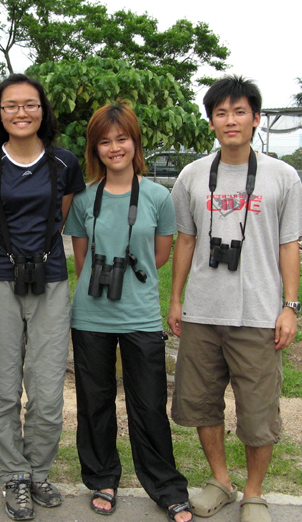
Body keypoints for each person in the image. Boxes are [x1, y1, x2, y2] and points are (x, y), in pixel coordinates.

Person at [167, 75, 302, 522]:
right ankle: (220, 482)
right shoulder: (192, 175)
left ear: (256, 119)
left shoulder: (282, 176)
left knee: (258, 410)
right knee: (201, 401)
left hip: (259, 313)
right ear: (211, 122)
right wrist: (176, 300)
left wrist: (290, 306)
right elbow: (186, 239)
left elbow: (289, 244)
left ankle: (253, 493)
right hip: (202, 311)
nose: (230, 120)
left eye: (239, 112)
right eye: (221, 113)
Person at [64, 102, 192, 522]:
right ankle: (102, 478)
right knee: (94, 402)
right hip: (91, 317)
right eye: (105, 141)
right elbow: (82, 261)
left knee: (149, 404)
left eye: (122, 139)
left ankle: (165, 486)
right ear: (94, 148)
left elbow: (159, 256)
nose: (114, 148)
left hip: (140, 316)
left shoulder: (158, 196)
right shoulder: (84, 198)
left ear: (135, 142)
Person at [0, 74, 85, 521]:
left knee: (47, 388)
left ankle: (38, 470)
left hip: (50, 280)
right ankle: (13, 476)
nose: (21, 112)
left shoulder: (64, 162)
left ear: (43, 110)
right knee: (3, 387)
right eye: (11, 105)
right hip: (0, 281)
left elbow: (60, 219)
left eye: (30, 104)